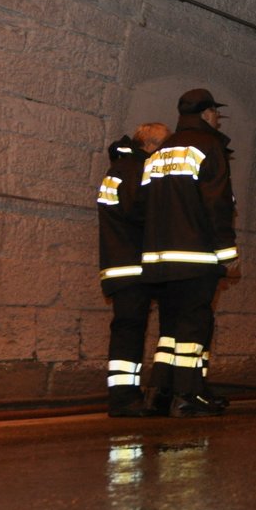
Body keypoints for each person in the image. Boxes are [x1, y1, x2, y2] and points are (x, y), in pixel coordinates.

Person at [139, 88, 237, 417]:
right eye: (216, 113)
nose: (218, 119)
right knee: (194, 327)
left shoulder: (161, 149)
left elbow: (147, 204)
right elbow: (217, 205)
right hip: (195, 256)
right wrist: (227, 253)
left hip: (160, 259)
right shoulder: (209, 146)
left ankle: (159, 392)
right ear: (207, 113)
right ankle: (188, 394)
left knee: (169, 330)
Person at [97, 122, 169, 417]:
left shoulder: (119, 169)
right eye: (164, 147)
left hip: (119, 264)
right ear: (150, 145)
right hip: (133, 265)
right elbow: (139, 213)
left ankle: (125, 394)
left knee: (129, 329)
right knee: (129, 331)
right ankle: (125, 399)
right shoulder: (135, 170)